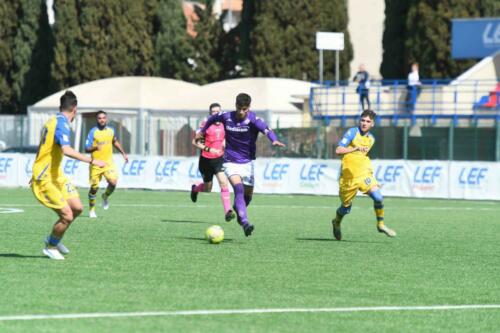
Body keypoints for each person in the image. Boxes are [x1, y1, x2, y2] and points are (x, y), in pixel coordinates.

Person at [195, 93, 285, 237]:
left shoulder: (253, 120)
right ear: (235, 105)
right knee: (238, 189)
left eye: (245, 109)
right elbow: (212, 118)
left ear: (248, 108)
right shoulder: (226, 116)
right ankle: (245, 222)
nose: (242, 112)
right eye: (239, 108)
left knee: (247, 197)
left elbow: (266, 129)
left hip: (247, 163)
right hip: (230, 161)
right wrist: (202, 131)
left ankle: (239, 208)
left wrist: (273, 139)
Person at [31, 91, 106, 260]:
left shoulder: (50, 122)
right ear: (75, 109)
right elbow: (66, 150)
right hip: (45, 178)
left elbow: (41, 149)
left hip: (56, 175)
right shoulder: (61, 124)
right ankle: (50, 246)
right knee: (67, 215)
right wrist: (92, 161)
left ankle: (53, 240)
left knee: (77, 208)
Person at [332, 109, 396, 240]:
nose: (364, 123)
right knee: (345, 208)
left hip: (364, 174)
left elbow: (362, 156)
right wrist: (355, 148)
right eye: (362, 120)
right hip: (348, 178)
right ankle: (336, 222)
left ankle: (381, 224)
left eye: (368, 121)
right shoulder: (352, 132)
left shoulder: (371, 139)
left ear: (372, 124)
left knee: (378, 197)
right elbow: (338, 150)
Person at [191, 103, 235, 221]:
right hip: (205, 160)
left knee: (223, 183)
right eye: (213, 112)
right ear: (210, 114)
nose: (216, 114)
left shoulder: (225, 124)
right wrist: (209, 149)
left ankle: (228, 211)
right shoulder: (205, 125)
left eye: (218, 111)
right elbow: (195, 142)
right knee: (207, 189)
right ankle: (195, 189)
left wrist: (226, 144)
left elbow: (226, 137)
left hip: (219, 159)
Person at [85, 110, 128, 218]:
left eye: (104, 118)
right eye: (99, 118)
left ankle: (105, 196)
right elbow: (86, 148)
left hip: (108, 163)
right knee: (94, 188)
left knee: (113, 183)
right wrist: (95, 147)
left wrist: (123, 153)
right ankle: (92, 210)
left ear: (106, 119)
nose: (102, 120)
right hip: (96, 164)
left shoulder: (111, 130)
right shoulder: (92, 132)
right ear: (97, 119)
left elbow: (115, 142)